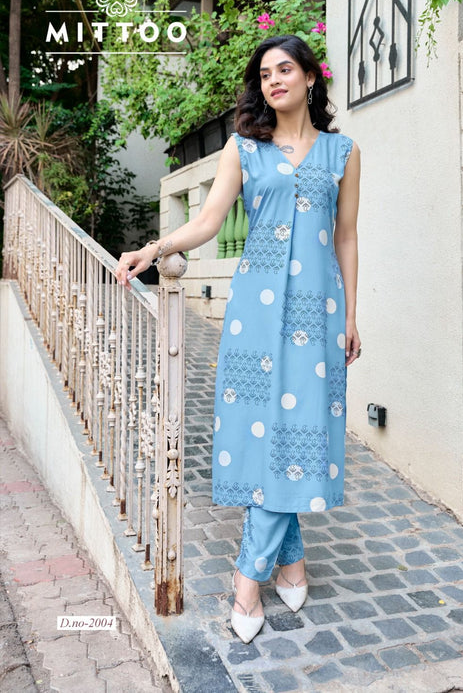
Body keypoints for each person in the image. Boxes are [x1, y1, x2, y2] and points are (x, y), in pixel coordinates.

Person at [114, 34, 361, 644]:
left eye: (286, 69)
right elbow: (207, 221)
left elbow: (346, 236)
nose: (274, 80)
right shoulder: (243, 149)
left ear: (310, 77)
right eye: (265, 73)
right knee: (263, 430)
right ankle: (281, 563)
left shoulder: (344, 152)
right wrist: (154, 249)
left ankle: (250, 574)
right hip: (256, 311)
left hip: (319, 313)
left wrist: (352, 316)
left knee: (299, 428)